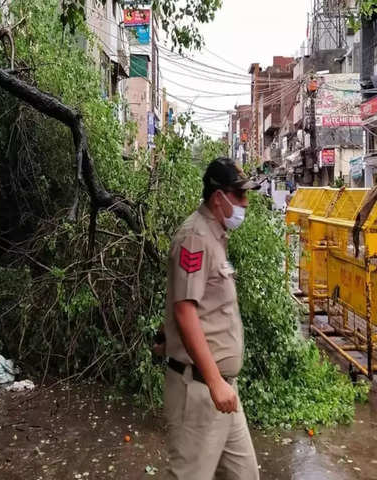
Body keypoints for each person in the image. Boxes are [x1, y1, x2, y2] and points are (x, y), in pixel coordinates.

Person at [161, 158, 260, 480]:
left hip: (222, 392)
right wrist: (215, 382)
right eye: (240, 195)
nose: (246, 203)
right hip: (201, 390)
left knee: (244, 475)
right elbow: (185, 309)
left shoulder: (215, 236)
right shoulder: (196, 238)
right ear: (219, 198)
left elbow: (199, 304)